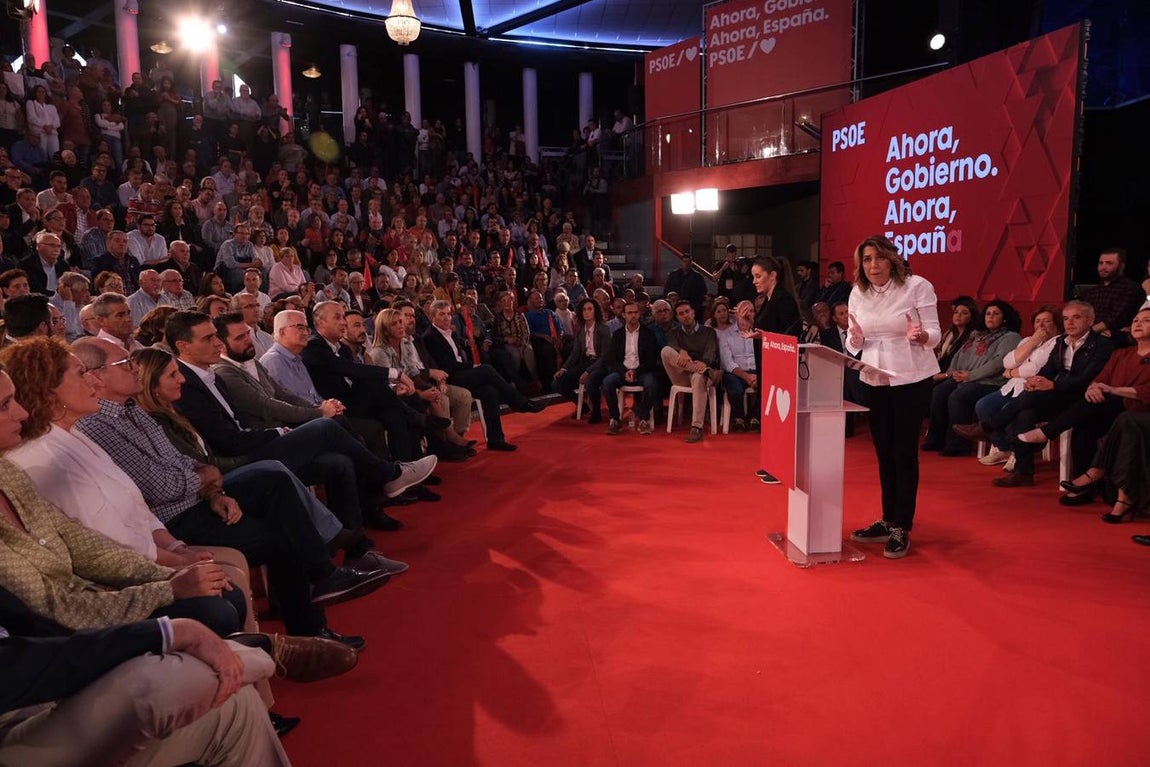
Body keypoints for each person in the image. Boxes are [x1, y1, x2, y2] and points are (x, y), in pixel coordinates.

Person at [845, 235, 942, 559]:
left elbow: (935, 334)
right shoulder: (858, 292)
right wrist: (855, 340)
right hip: (874, 376)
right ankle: (888, 519)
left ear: (892, 259)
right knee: (883, 451)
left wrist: (921, 335)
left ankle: (903, 524)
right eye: (867, 259)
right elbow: (852, 341)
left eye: (879, 258)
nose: (873, 265)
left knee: (903, 451)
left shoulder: (917, 286)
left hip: (911, 376)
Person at [1011, 306, 1150, 500]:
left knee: (1094, 404)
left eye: (1146, 321)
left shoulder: (1104, 345)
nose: (1138, 324)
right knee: (1084, 421)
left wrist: (1111, 389)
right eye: (1135, 320)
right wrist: (1095, 387)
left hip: (1138, 409)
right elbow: (1101, 378)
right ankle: (1083, 488)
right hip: (1109, 404)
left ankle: (1046, 433)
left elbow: (1146, 391)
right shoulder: (1122, 353)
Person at [987, 300, 1113, 488]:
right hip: (1059, 395)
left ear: (1090, 320)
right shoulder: (1061, 342)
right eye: (1066, 318)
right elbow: (1048, 368)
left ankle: (992, 426)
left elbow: (1086, 379)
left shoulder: (1102, 345)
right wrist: (1036, 381)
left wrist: (1052, 385)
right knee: (1025, 413)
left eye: (1076, 317)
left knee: (1028, 399)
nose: (1069, 323)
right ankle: (1024, 472)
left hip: (1082, 397)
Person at [422, 299, 544, 452]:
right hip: (449, 378)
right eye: (442, 314)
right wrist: (472, 366)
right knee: (486, 369)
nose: (447, 318)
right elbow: (446, 365)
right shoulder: (430, 336)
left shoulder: (450, 333)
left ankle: (495, 440)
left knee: (490, 392)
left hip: (462, 374)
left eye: (448, 314)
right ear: (432, 316)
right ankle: (518, 402)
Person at [921, 300, 1021, 456]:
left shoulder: (1011, 337)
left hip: (991, 382)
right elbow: (959, 354)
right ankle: (936, 439)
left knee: (959, 395)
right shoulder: (976, 334)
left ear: (1005, 317)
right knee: (940, 391)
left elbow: (998, 363)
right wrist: (953, 372)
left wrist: (971, 375)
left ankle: (958, 444)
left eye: (996, 314)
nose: (990, 317)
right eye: (988, 313)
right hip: (966, 377)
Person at [661, 301, 720, 443]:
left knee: (699, 377)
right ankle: (705, 371)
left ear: (693, 312)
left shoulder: (708, 331)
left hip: (700, 373)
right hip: (682, 373)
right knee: (666, 351)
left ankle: (696, 427)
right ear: (677, 317)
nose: (685, 316)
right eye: (681, 314)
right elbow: (672, 345)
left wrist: (704, 363)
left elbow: (711, 352)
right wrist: (682, 351)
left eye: (687, 311)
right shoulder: (674, 332)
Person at [601, 301, 661, 435]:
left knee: (651, 384)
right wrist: (625, 372)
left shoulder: (648, 333)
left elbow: (652, 359)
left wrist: (636, 371)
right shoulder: (617, 335)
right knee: (608, 382)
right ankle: (615, 419)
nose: (633, 315)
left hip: (642, 371)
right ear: (624, 315)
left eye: (635, 312)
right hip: (623, 371)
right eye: (630, 313)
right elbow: (611, 359)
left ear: (639, 314)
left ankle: (644, 418)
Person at [553, 298, 610, 418]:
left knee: (590, 380)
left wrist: (588, 371)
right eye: (584, 309)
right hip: (586, 362)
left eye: (590, 309)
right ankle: (583, 406)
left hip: (601, 364)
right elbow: (575, 353)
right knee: (557, 383)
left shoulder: (603, 329)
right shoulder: (580, 329)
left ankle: (596, 412)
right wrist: (564, 368)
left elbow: (605, 356)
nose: (586, 312)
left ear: (595, 311)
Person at [1080, 248, 1144, 347]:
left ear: (1121, 266)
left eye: (1109, 263)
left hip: (1116, 339)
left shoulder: (1130, 288)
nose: (1103, 267)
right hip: (1089, 337)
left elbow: (1116, 319)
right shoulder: (1091, 292)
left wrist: (1085, 333)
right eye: (1101, 263)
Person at [719, 300, 761, 432]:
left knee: (768, 383)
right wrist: (746, 376)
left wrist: (758, 374)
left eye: (751, 311)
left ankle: (755, 417)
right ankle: (739, 418)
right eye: (744, 310)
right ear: (736, 314)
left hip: (757, 370)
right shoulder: (726, 334)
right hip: (736, 371)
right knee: (735, 388)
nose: (747, 314)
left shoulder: (759, 333)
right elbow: (727, 363)